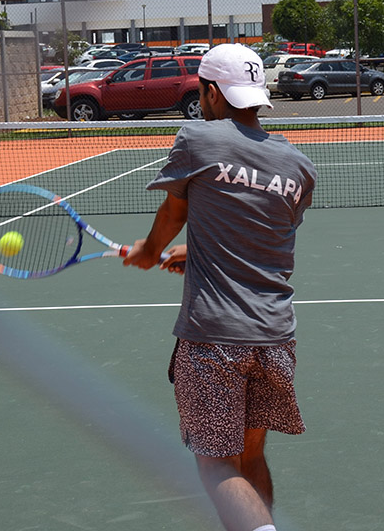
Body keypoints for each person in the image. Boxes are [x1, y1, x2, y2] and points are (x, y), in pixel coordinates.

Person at [124, 43, 317, 531]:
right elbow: (265, 237)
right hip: (274, 339)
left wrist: (149, 252)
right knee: (250, 459)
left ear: (211, 92)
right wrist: (201, 250)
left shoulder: (197, 138)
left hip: (214, 339)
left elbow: (175, 212)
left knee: (215, 464)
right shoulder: (298, 167)